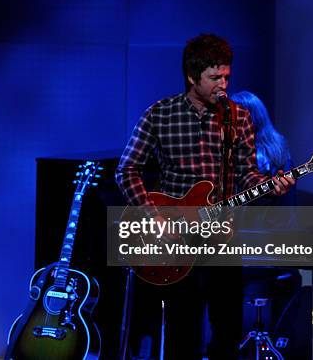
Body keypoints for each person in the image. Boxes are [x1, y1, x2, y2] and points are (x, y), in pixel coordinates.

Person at [116, 34, 294, 359]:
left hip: (223, 239)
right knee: (183, 335)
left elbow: (247, 176)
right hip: (175, 240)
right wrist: (155, 218)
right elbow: (126, 170)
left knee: (226, 334)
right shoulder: (160, 114)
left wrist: (271, 184)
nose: (223, 84)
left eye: (227, 76)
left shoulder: (238, 117)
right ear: (191, 76)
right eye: (215, 78)